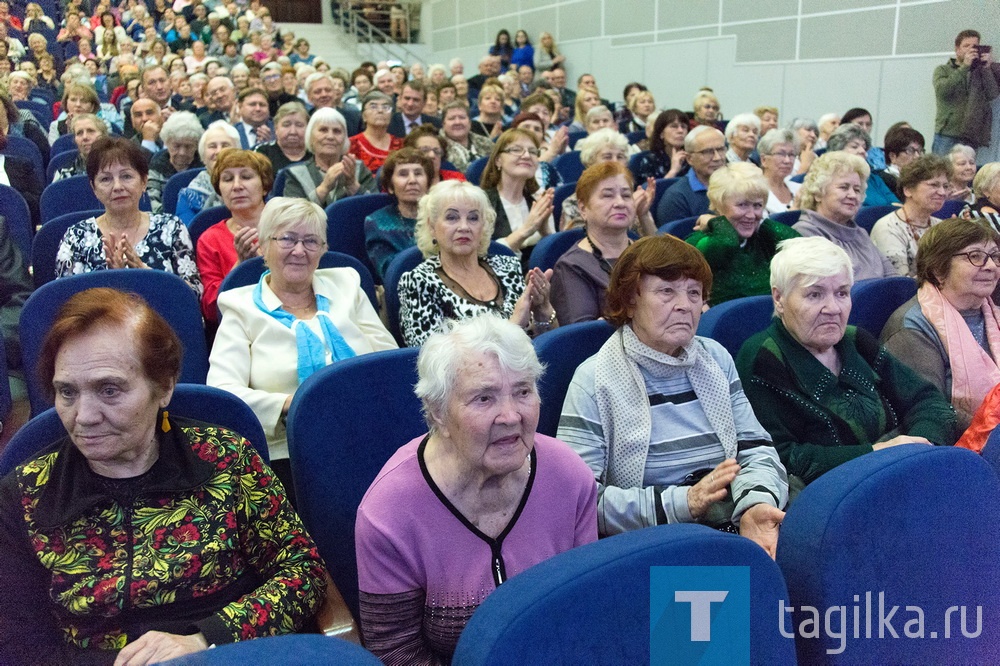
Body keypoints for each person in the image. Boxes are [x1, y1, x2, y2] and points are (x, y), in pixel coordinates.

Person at [0, 288, 327, 664]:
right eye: (67, 392)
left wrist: (209, 637)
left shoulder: (225, 459)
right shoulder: (25, 494)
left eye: (109, 390)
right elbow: (17, 644)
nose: (84, 416)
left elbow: (303, 571)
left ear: (164, 387)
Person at [357, 314, 597, 663]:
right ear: (438, 411)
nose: (511, 416)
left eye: (523, 391)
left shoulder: (569, 476)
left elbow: (583, 610)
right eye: (484, 398)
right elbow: (396, 651)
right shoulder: (389, 513)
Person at [557, 234, 787, 549]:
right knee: (732, 592)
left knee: (812, 569)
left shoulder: (716, 358)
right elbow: (579, 504)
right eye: (667, 291)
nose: (684, 305)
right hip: (656, 542)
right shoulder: (593, 379)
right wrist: (686, 502)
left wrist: (756, 506)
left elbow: (756, 449)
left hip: (734, 515)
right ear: (630, 299)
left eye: (694, 293)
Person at [207, 197, 397, 493]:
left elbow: (389, 360)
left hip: (367, 432)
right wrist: (297, 404)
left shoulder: (347, 284)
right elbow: (223, 393)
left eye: (311, 241)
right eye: (287, 239)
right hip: (288, 450)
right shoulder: (240, 306)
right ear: (263, 246)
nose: (299, 250)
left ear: (323, 250)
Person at [737, 236, 958, 489]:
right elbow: (780, 457)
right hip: (834, 495)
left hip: (906, 472)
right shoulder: (763, 358)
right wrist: (878, 453)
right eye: (814, 294)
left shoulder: (856, 340)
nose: (833, 308)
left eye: (842, 293)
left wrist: (920, 445)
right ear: (779, 299)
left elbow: (927, 399)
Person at [397, 181, 557, 346]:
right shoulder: (418, 282)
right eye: (452, 217)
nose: (464, 226)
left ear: (483, 226)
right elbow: (431, 359)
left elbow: (545, 342)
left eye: (473, 218)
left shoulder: (507, 266)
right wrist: (513, 326)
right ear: (432, 226)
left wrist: (542, 309)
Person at [881, 218, 1000, 430]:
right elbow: (933, 411)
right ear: (938, 269)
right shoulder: (912, 328)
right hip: (965, 444)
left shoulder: (993, 311)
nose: (990, 266)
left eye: (994, 256)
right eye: (975, 256)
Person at [55, 137, 202, 294]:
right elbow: (66, 301)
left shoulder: (172, 227)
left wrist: (146, 273)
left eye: (126, 176)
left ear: (144, 181)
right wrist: (115, 283)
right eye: (106, 179)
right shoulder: (76, 237)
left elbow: (194, 293)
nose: (117, 186)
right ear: (94, 188)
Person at [687, 162, 800, 305]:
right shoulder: (704, 242)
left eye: (757, 205)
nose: (751, 215)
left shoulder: (763, 238)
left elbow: (802, 247)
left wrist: (762, 222)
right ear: (719, 204)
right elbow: (727, 242)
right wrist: (715, 222)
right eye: (742, 205)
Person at [551, 162, 642, 324]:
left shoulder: (649, 252)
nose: (620, 203)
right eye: (608, 195)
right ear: (583, 208)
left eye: (626, 195)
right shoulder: (572, 266)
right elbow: (585, 336)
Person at [196, 149, 273, 322]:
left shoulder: (289, 226)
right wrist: (240, 266)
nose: (237, 186)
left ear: (265, 185)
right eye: (228, 179)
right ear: (219, 190)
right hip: (239, 324)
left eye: (246, 177)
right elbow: (211, 310)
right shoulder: (210, 240)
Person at [793, 151, 896, 280]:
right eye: (844, 187)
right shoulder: (804, 234)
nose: (853, 195)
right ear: (818, 193)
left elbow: (892, 278)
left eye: (857, 190)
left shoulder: (860, 233)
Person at [870, 155, 951, 277]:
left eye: (945, 186)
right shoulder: (888, 228)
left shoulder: (942, 226)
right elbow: (901, 284)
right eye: (934, 185)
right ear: (908, 190)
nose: (942, 192)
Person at [480, 128, 556, 259]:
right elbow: (480, 254)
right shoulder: (480, 203)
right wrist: (526, 229)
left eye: (533, 151)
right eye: (516, 150)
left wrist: (545, 232)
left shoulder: (539, 202)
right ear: (498, 160)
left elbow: (553, 257)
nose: (526, 156)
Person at [284, 107, 377, 206]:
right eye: (323, 130)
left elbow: (375, 209)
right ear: (310, 136)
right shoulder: (296, 174)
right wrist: (324, 188)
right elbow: (291, 216)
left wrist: (352, 184)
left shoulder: (358, 169)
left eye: (337, 131)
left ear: (345, 139)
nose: (330, 137)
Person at [364, 148, 432, 280]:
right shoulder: (377, 222)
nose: (412, 180)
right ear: (390, 186)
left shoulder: (442, 217)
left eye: (418, 173)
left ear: (428, 184)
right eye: (403, 174)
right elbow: (390, 273)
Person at [933, 29, 999, 155]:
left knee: (966, 172)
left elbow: (993, 95)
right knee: (941, 171)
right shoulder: (943, 70)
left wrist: (987, 68)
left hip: (971, 135)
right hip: (947, 134)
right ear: (957, 49)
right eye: (966, 46)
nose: (971, 49)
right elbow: (943, 91)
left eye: (974, 46)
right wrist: (965, 67)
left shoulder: (980, 72)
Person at [655, 126, 726, 224]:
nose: (717, 158)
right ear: (689, 159)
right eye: (707, 152)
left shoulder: (737, 185)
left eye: (721, 149)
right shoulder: (676, 198)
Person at [175, 120, 239, 224]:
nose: (219, 151)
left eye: (225, 145)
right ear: (203, 156)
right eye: (212, 146)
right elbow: (188, 234)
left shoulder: (249, 188)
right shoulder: (188, 196)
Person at [147, 110, 203, 213]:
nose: (182, 152)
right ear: (167, 143)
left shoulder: (203, 168)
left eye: (188, 146)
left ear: (196, 145)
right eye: (176, 146)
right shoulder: (157, 166)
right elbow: (151, 201)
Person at [348, 91, 404, 173]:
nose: (380, 111)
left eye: (385, 107)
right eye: (373, 107)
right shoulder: (351, 144)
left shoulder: (400, 144)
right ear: (364, 116)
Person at [632, 109, 690, 181]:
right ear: (661, 134)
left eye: (684, 126)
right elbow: (649, 191)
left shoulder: (692, 158)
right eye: (674, 126)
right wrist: (673, 171)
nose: (680, 131)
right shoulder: (650, 161)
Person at [254, 100, 311, 172]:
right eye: (286, 125)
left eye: (299, 125)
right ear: (276, 128)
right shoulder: (263, 152)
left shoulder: (316, 153)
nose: (293, 132)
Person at [439, 101, 495, 173]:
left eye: (462, 117)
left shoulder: (486, 143)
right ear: (443, 124)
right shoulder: (438, 148)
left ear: (470, 122)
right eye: (452, 118)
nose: (457, 122)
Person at [52, 113, 108, 182]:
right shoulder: (64, 173)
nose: (85, 137)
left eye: (91, 131)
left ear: (103, 136)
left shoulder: (119, 169)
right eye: (79, 133)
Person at [758, 128, 802, 215]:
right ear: (764, 160)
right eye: (781, 154)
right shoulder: (754, 193)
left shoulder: (800, 189)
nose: (787, 160)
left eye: (791, 154)